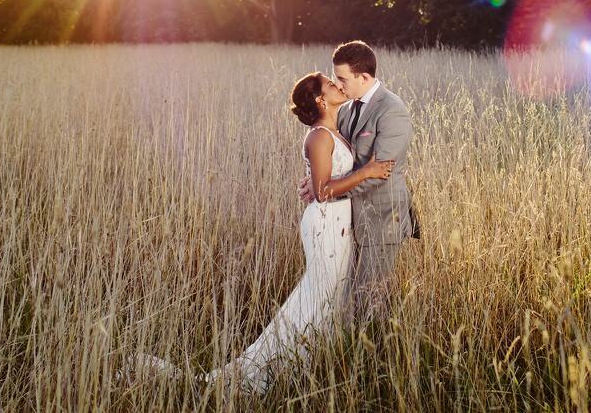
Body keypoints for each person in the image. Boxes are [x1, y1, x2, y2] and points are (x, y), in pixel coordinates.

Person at [126, 72, 393, 393]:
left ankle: (304, 364)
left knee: (329, 296)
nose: (338, 85)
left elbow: (324, 180)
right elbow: (322, 191)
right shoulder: (319, 136)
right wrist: (366, 172)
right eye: (330, 84)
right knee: (319, 296)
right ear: (321, 100)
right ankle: (270, 369)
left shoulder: (334, 130)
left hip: (338, 221)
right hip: (324, 223)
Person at [299, 40, 419, 324]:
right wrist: (318, 182)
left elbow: (381, 172)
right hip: (350, 222)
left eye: (342, 79)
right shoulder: (349, 107)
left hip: (382, 219)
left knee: (369, 299)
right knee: (353, 298)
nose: (339, 86)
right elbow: (344, 159)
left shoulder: (392, 111)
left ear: (363, 77)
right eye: (335, 79)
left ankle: (377, 357)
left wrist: (325, 192)